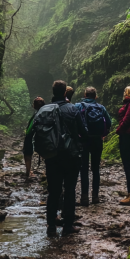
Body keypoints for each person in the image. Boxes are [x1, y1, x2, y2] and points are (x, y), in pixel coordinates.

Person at [41, 79, 88, 237]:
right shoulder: (72, 109)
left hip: (52, 155)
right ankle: (68, 225)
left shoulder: (45, 109)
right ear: (65, 93)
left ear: (53, 92)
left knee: (53, 190)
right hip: (70, 155)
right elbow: (83, 131)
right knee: (69, 190)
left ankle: (51, 226)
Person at [75, 86, 112, 206]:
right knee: (96, 168)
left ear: (85, 95)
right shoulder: (101, 107)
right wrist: (103, 134)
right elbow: (109, 122)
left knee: (84, 168)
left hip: (83, 140)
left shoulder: (78, 106)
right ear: (95, 96)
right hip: (97, 140)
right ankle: (95, 196)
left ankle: (84, 197)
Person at [23, 96, 45, 179]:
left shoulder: (36, 115)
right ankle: (46, 173)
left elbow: (29, 131)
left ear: (34, 106)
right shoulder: (47, 114)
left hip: (32, 137)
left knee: (27, 154)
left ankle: (28, 172)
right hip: (45, 137)